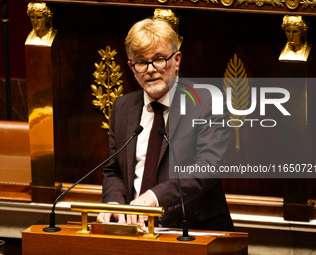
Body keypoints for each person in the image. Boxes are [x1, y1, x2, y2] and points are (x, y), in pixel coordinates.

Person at [97, 18, 234, 231]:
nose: (151, 69)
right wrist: (114, 204)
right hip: (135, 232)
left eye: (159, 59)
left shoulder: (207, 101)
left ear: (177, 59)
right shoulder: (122, 107)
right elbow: (114, 171)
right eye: (141, 62)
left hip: (195, 231)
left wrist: (153, 197)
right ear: (132, 67)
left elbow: (209, 167)